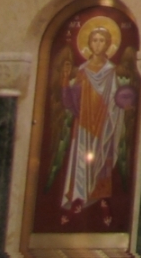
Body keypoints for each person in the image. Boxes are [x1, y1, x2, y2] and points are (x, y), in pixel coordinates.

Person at [56, 21, 132, 224]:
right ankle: (78, 198)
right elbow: (71, 103)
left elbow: (120, 98)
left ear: (108, 44)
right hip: (83, 125)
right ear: (89, 44)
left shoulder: (112, 71)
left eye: (102, 41)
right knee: (81, 161)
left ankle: (102, 199)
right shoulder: (81, 71)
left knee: (103, 161)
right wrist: (64, 82)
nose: (98, 44)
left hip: (105, 123)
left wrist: (124, 104)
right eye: (95, 40)